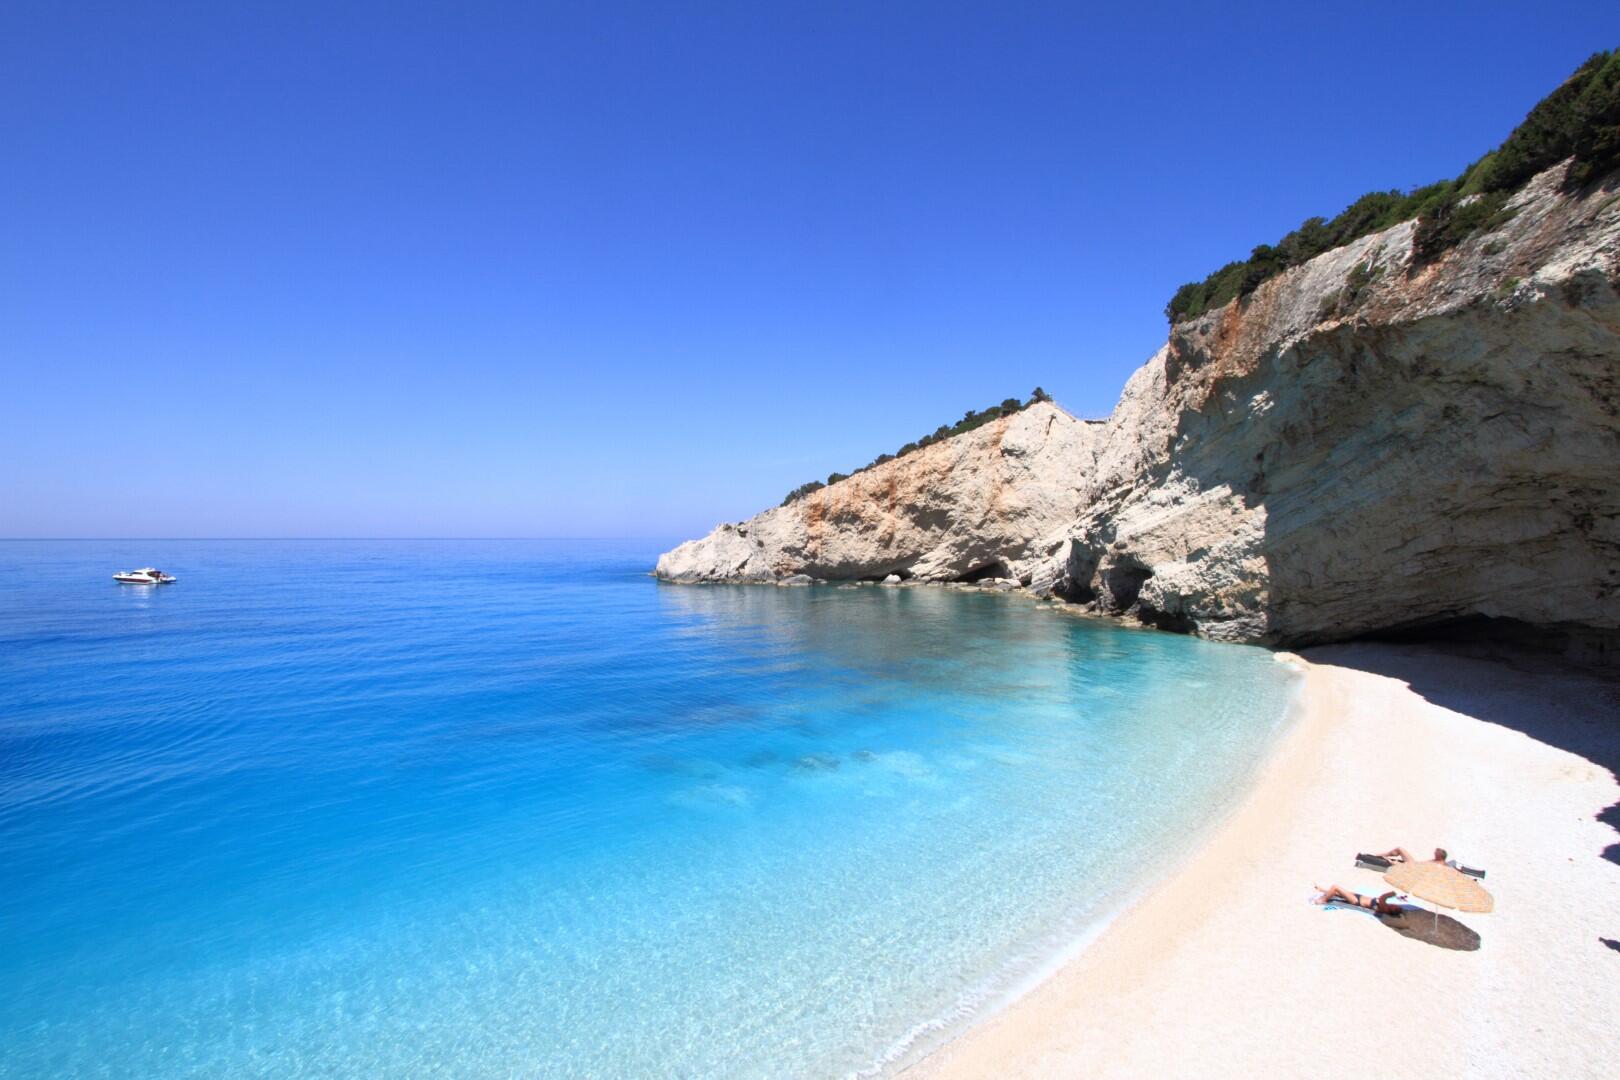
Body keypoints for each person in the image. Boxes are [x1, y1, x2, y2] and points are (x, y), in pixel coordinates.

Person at [1314, 884, 1405, 916]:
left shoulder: (1384, 907)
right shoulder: (1386, 907)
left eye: (1395, 906)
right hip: (1359, 896)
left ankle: (1323, 900)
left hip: (1356, 901)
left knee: (1336, 887)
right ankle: (1323, 890)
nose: (1394, 905)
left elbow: (1383, 897)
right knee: (1342, 893)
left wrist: (1393, 893)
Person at [1379, 846, 1447, 865]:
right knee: (1399, 849)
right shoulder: (1437, 860)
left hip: (1413, 868)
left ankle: (1382, 856)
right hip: (1414, 864)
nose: (1434, 854)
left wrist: (1395, 863)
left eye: (1436, 853)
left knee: (1399, 850)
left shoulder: (1439, 865)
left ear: (1440, 856)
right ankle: (1383, 855)